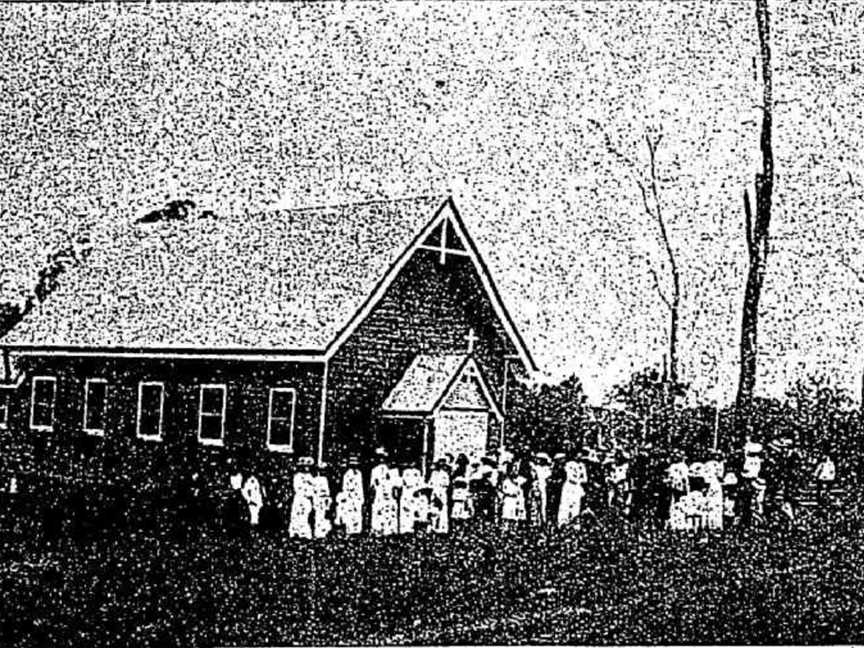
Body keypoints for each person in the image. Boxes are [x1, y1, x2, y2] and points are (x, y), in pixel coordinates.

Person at [370, 448, 399, 536]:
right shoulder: (375, 470)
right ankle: (378, 531)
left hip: (389, 495)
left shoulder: (393, 471)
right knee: (378, 512)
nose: (382, 460)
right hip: (379, 494)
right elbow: (373, 485)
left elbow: (396, 485)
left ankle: (390, 532)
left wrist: (394, 492)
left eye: (384, 458)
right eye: (380, 458)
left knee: (389, 512)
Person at [335, 455, 365, 535]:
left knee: (357, 515)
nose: (354, 466)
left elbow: (360, 486)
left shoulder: (359, 474)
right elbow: (345, 487)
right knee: (349, 514)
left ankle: (357, 531)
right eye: (352, 464)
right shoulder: (347, 475)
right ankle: (349, 530)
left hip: (357, 497)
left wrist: (361, 498)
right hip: (350, 497)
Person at [557, 453, 587, 528]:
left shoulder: (582, 466)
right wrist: (579, 480)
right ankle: (562, 524)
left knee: (576, 507)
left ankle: (575, 526)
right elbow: (570, 477)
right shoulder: (569, 464)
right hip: (569, 487)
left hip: (577, 488)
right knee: (565, 506)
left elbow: (585, 479)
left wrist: (579, 480)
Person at [289, 457, 315, 539]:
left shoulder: (310, 476)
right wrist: (305, 490)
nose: (306, 468)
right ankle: (295, 532)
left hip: (307, 499)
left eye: (308, 466)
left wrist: (309, 492)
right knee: (297, 514)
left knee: (305, 515)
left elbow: (313, 488)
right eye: (304, 466)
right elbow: (297, 488)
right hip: (299, 497)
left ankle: (303, 533)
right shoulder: (297, 476)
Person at [499, 462, 527, 531]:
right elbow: (504, 490)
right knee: (508, 515)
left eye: (516, 470)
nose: (514, 472)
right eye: (513, 470)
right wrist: (511, 493)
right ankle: (506, 530)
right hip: (509, 500)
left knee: (516, 517)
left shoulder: (521, 480)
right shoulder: (506, 481)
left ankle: (515, 530)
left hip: (518, 500)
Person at [665, 450, 689, 530]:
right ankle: (673, 523)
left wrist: (685, 488)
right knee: (673, 504)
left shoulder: (683, 466)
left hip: (680, 487)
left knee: (681, 503)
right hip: (673, 487)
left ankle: (681, 523)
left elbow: (685, 478)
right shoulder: (672, 466)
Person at [528, 452, 552, 529]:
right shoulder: (535, 467)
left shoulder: (547, 469)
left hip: (544, 487)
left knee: (543, 505)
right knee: (534, 504)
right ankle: (534, 523)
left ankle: (543, 523)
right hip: (536, 486)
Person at [703, 452, 725, 531]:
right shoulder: (717, 464)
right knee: (716, 506)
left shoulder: (707, 464)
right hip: (715, 484)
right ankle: (715, 525)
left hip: (710, 485)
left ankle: (709, 524)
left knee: (710, 505)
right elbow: (720, 476)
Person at [429, 459, 451, 534]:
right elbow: (431, 484)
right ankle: (433, 526)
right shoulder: (433, 474)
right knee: (434, 510)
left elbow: (446, 484)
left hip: (441, 492)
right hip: (434, 492)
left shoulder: (444, 474)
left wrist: (440, 494)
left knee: (442, 510)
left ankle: (442, 528)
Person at [399, 466, 423, 534]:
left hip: (415, 492)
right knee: (405, 511)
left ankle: (414, 529)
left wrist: (418, 491)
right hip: (406, 492)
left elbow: (420, 482)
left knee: (415, 511)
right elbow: (402, 482)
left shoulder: (417, 472)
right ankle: (405, 530)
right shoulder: (405, 471)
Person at [311, 465, 332, 539]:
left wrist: (327, 499)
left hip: (324, 499)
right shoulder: (315, 479)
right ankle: (318, 533)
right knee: (318, 516)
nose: (322, 472)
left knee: (324, 516)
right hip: (318, 499)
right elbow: (314, 491)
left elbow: (327, 491)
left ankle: (324, 532)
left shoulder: (325, 479)